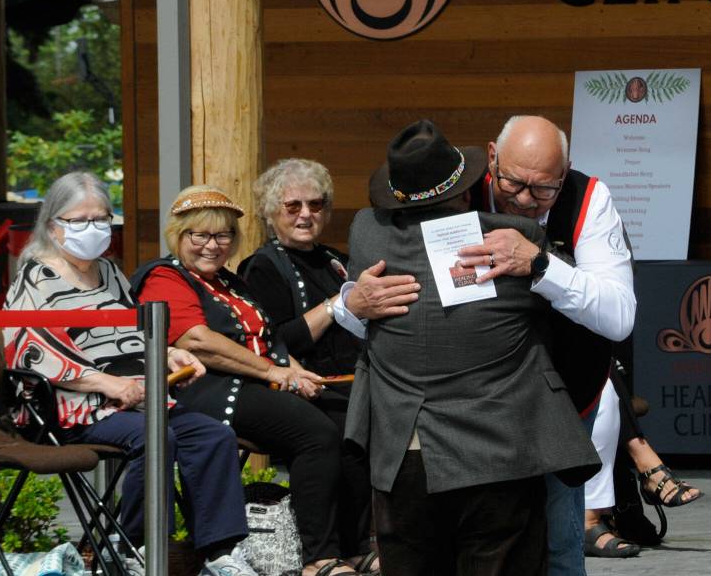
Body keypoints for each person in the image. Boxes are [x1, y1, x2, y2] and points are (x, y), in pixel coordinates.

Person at [339, 115, 702, 572]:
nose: (526, 199)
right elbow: (372, 301)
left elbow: (619, 316)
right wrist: (352, 301)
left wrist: (540, 264)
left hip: (559, 399)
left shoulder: (589, 200)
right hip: (467, 425)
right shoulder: (441, 200)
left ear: (567, 170)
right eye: (512, 182)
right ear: (489, 161)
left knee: (561, 542)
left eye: (545, 188)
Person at [343, 119, 600, 576]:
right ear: (465, 193)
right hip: (498, 456)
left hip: (405, 454)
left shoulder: (366, 235)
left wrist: (349, 299)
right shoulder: (516, 243)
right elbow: (594, 312)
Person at [2, 171, 257, 576]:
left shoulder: (109, 272)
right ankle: (135, 546)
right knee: (157, 437)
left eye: (101, 219)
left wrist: (170, 355)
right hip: (74, 407)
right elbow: (31, 353)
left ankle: (218, 552)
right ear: (53, 225)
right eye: (80, 220)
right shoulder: (37, 276)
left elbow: (137, 335)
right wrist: (108, 384)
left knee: (213, 436)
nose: (93, 228)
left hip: (140, 399)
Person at [131, 185, 362, 576]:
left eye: (222, 235)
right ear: (178, 236)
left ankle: (353, 548)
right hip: (204, 388)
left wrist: (294, 370)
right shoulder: (165, 277)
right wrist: (275, 373)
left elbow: (269, 339)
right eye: (199, 235)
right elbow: (199, 342)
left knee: (349, 424)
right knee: (316, 434)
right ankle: (318, 557)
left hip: (256, 383)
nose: (212, 245)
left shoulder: (229, 281)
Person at [238, 158, 376, 572]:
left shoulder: (336, 261)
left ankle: (361, 544)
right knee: (338, 429)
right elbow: (278, 341)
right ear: (270, 212)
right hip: (299, 381)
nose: (305, 215)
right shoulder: (262, 266)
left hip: (353, 377)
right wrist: (337, 305)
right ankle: (322, 554)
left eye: (315, 205)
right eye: (292, 206)